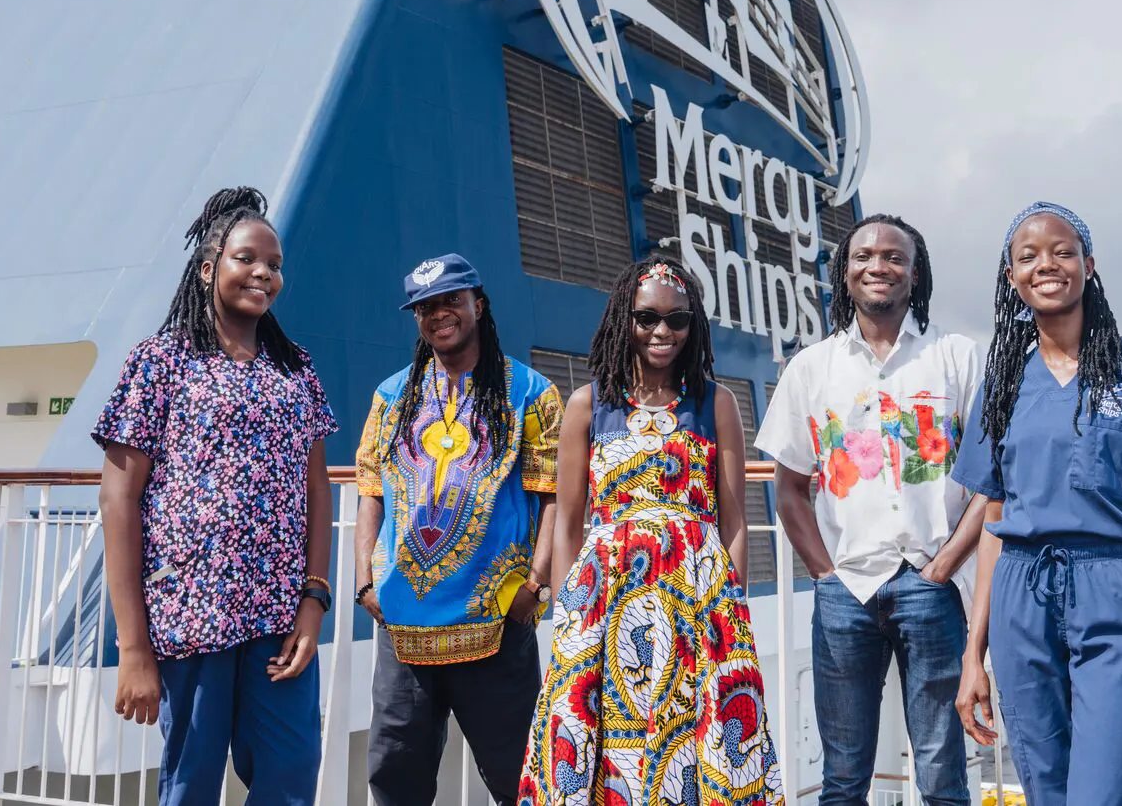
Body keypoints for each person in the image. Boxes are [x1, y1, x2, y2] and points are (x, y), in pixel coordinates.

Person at [95, 187, 337, 806]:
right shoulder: (160, 362)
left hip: (280, 622)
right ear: (209, 267)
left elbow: (317, 492)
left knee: (290, 778)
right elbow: (119, 500)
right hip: (192, 618)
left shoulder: (296, 370)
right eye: (247, 258)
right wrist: (133, 648)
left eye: (275, 265)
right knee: (191, 788)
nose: (264, 273)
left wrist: (314, 601)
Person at [952, 202, 1122, 806]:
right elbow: (993, 519)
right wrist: (972, 655)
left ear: (1089, 264)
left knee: (1107, 789)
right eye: (1027, 256)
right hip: (1020, 594)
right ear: (1010, 278)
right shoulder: (1003, 382)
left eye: (1062, 251)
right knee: (1047, 789)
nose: (1046, 265)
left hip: (1114, 589)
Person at [519, 255, 782, 806]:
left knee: (691, 731)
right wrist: (571, 612)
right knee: (609, 733)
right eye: (647, 319)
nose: (662, 331)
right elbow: (568, 520)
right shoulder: (588, 404)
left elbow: (732, 520)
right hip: (606, 604)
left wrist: (727, 606)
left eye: (677, 320)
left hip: (696, 601)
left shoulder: (718, 403)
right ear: (624, 319)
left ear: (693, 325)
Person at [759, 214, 986, 806]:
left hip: (934, 585)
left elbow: (993, 482)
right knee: (843, 779)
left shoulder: (957, 358)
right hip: (845, 592)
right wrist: (823, 573)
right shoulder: (812, 367)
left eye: (894, 257)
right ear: (845, 272)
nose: (878, 266)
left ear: (915, 274)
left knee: (942, 778)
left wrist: (945, 566)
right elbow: (788, 488)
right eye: (864, 256)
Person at [355, 254, 564, 806]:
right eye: (425, 307)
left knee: (521, 779)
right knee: (395, 780)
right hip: (403, 624)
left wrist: (536, 584)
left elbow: (556, 498)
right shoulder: (390, 396)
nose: (438, 314)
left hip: (494, 620)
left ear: (479, 304)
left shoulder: (529, 393)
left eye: (450, 300)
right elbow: (371, 491)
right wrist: (364, 582)